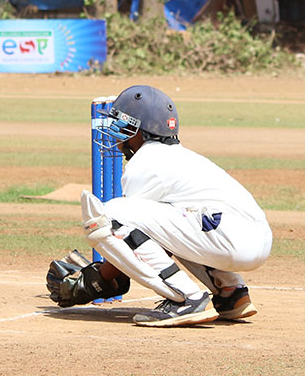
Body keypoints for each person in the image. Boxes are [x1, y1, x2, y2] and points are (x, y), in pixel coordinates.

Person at [46, 85, 273, 327]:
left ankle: (186, 299)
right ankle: (231, 294)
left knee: (110, 214)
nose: (117, 136)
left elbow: (135, 238)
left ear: (138, 130)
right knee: (174, 220)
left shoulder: (145, 163)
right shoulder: (181, 156)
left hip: (229, 240)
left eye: (121, 127)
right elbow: (156, 237)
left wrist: (95, 281)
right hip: (254, 239)